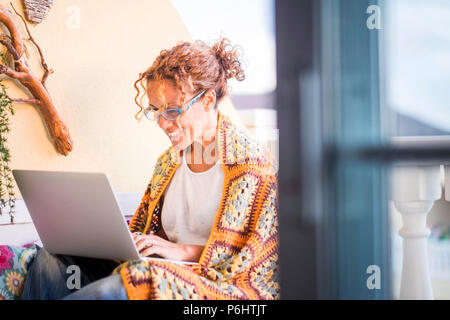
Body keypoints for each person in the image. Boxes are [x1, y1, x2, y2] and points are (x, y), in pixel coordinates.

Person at [21, 38, 279, 300]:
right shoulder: (167, 163)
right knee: (50, 260)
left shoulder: (250, 164)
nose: (163, 123)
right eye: (155, 111)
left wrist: (182, 251)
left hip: (214, 283)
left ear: (207, 99)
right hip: (160, 268)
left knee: (131, 283)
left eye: (173, 110)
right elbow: (148, 232)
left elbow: (248, 258)